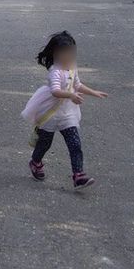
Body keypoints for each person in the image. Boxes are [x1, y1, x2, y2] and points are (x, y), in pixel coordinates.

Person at [21, 31, 107, 189]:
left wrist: (94, 92)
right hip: (50, 113)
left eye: (71, 53)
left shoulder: (73, 67)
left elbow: (77, 84)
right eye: (63, 54)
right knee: (44, 144)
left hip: (68, 114)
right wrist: (71, 95)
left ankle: (78, 175)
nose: (68, 57)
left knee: (75, 144)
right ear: (55, 55)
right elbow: (55, 91)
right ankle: (35, 161)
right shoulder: (55, 71)